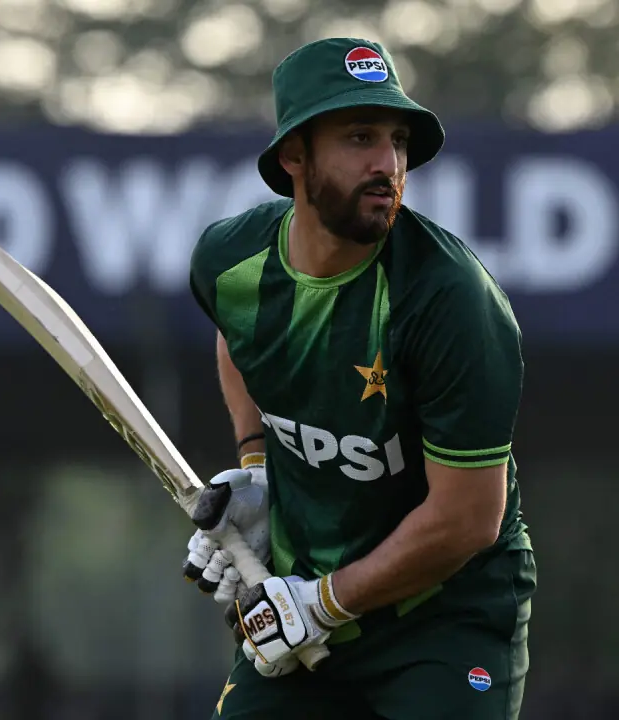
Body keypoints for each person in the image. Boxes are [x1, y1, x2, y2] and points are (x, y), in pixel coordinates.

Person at [182, 37, 535, 720]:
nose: (388, 164)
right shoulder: (229, 263)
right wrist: (257, 473)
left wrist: (322, 602)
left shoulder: (451, 301)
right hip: (300, 604)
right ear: (294, 157)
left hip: (444, 612)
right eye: (360, 137)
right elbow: (237, 340)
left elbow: (467, 519)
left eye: (398, 141)